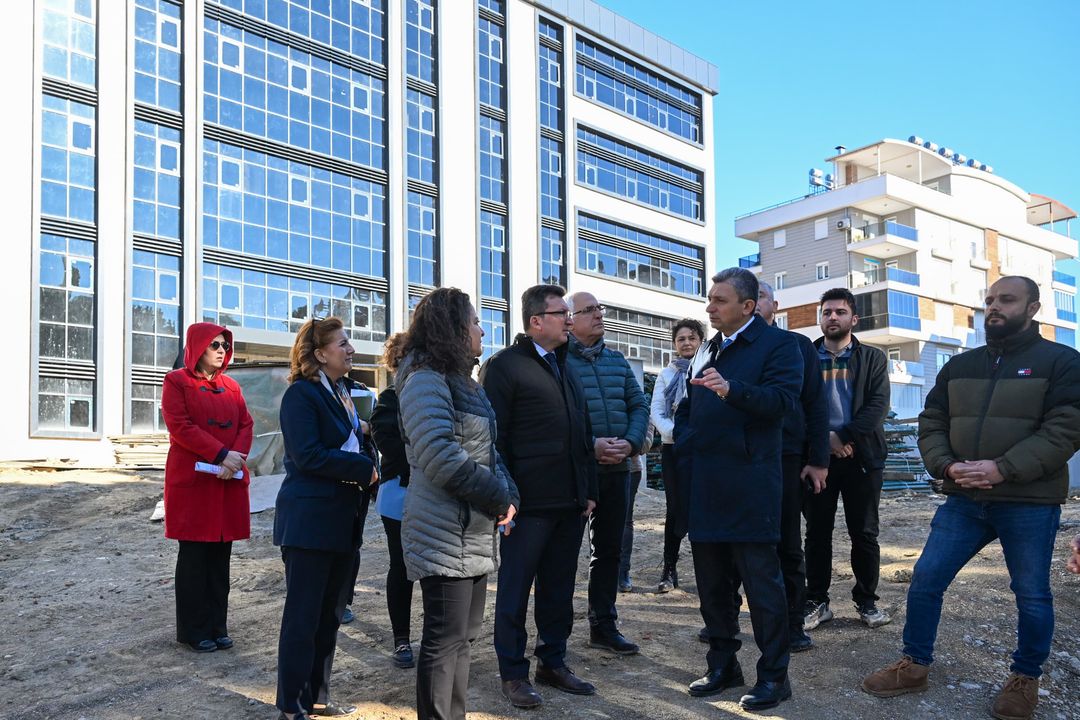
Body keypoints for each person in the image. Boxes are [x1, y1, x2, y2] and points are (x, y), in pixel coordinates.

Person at [863, 275, 1080, 720]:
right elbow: (932, 421)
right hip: (963, 499)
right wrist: (944, 465)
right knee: (926, 580)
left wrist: (1003, 468)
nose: (994, 307)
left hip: (1029, 501)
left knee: (1032, 593)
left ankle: (1024, 678)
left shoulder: (1062, 363)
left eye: (1006, 299)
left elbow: (1065, 428)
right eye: (989, 300)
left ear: (1033, 308)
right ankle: (915, 664)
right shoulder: (960, 366)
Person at [389, 288, 520, 720]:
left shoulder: (463, 382)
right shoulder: (425, 378)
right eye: (475, 321)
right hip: (443, 533)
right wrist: (498, 498)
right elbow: (440, 457)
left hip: (472, 532)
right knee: (444, 642)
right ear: (452, 328)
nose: (482, 329)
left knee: (462, 640)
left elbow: (489, 451)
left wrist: (509, 496)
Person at [675, 268, 801, 711]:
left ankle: (774, 677)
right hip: (706, 482)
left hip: (751, 483)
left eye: (719, 300)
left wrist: (733, 390)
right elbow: (689, 407)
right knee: (711, 583)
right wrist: (687, 441)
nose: (709, 307)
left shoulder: (780, 346)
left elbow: (784, 402)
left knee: (761, 586)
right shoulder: (709, 347)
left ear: (748, 307)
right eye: (709, 299)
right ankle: (723, 664)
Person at [481, 284, 598, 709]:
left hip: (569, 503)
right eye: (561, 313)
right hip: (525, 506)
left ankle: (553, 661)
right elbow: (493, 441)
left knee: (559, 589)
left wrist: (589, 492)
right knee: (514, 591)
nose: (569, 319)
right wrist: (503, 500)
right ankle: (513, 673)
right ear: (536, 321)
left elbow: (582, 433)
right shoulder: (504, 367)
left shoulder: (567, 366)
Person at [274, 317, 378, 720]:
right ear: (319, 354)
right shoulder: (301, 395)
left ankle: (316, 697)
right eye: (343, 343)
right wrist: (361, 470)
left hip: (342, 521)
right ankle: (291, 705)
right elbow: (308, 456)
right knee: (303, 617)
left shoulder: (341, 392)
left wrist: (370, 462)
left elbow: (355, 444)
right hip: (310, 523)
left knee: (330, 616)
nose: (350, 349)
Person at [566, 291, 650, 655]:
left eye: (600, 308)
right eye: (589, 310)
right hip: (576, 471)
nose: (599, 315)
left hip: (620, 470)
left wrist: (630, 444)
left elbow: (638, 404)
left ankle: (604, 624)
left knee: (609, 551)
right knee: (564, 552)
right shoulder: (557, 363)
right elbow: (557, 418)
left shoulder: (616, 361)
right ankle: (554, 635)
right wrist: (591, 446)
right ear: (569, 320)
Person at [161, 322, 253, 654]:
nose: (220, 350)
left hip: (226, 480)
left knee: (220, 557)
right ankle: (193, 629)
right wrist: (220, 454)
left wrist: (236, 459)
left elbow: (246, 423)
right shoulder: (176, 382)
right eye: (214, 344)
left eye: (225, 345)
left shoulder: (231, 386)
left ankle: (218, 625)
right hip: (195, 481)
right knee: (195, 558)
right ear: (197, 346)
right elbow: (180, 426)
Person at [802, 288, 891, 631]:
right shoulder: (804, 357)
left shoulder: (872, 358)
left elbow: (877, 406)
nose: (832, 317)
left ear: (853, 319)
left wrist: (843, 437)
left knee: (864, 533)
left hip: (862, 457)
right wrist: (823, 446)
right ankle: (817, 601)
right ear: (820, 317)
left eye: (840, 312)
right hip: (817, 461)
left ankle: (866, 601)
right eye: (827, 312)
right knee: (817, 533)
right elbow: (796, 407)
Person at [749, 282, 829, 652]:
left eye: (761, 297)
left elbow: (815, 403)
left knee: (787, 543)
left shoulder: (796, 346)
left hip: (786, 458)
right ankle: (734, 619)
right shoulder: (723, 347)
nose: (754, 304)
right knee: (739, 543)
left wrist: (817, 460)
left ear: (772, 305)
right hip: (740, 460)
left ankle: (794, 623)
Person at [369, 334, 416, 670]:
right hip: (400, 494)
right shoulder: (390, 397)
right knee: (401, 567)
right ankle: (401, 638)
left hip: (433, 493)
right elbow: (387, 440)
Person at [650, 318, 705, 593]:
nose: (686, 343)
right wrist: (677, 434)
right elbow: (657, 412)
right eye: (681, 338)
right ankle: (669, 569)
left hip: (705, 448)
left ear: (700, 341)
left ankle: (708, 571)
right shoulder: (666, 375)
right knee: (675, 508)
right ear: (674, 344)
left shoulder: (710, 369)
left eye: (692, 338)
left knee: (704, 507)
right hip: (674, 447)